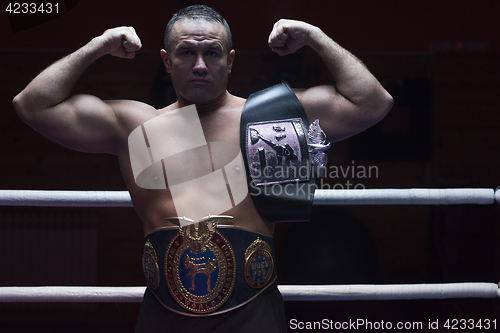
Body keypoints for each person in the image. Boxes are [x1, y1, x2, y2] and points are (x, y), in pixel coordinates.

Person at [12, 5, 393, 333]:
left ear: (229, 60)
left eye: (212, 53)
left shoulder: (273, 120)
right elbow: (33, 105)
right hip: (163, 313)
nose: (199, 65)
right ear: (166, 60)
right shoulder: (135, 125)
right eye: (186, 53)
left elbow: (372, 103)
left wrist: (314, 35)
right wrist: (100, 44)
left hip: (252, 313)